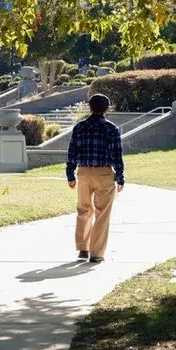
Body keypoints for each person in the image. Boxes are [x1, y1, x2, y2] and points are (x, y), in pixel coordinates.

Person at [66, 94, 125, 263]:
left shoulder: (79, 127)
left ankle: (82, 249)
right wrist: (120, 176)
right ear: (107, 109)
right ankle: (97, 253)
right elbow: (116, 154)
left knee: (83, 210)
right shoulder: (111, 128)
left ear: (90, 108)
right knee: (102, 213)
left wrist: (70, 174)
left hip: (83, 172)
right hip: (104, 173)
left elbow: (72, 152)